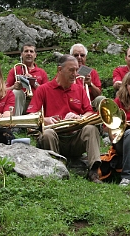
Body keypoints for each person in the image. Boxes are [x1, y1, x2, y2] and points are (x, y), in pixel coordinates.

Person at [27, 54, 103, 183]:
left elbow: (90, 112)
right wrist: (45, 119)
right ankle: (57, 171)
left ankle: (94, 172)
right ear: (59, 70)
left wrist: (78, 117)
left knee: (91, 129)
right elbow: (30, 115)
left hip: (75, 137)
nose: (75, 74)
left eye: (76, 70)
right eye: (71, 70)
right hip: (55, 137)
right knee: (48, 134)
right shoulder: (43, 90)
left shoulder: (79, 89)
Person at [5, 44, 49, 116]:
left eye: (31, 51)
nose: (29, 53)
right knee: (17, 92)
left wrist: (34, 83)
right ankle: (16, 123)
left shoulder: (42, 72)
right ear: (22, 54)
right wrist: (14, 87)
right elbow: (4, 90)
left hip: (35, 102)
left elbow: (47, 93)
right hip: (19, 102)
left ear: (35, 55)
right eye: (26, 51)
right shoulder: (14, 70)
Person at [70, 43, 104, 109]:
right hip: (71, 102)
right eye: (76, 55)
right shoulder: (65, 71)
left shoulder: (92, 72)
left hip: (90, 103)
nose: (79, 57)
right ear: (71, 57)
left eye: (82, 55)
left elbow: (98, 94)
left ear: (85, 57)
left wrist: (90, 84)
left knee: (101, 99)